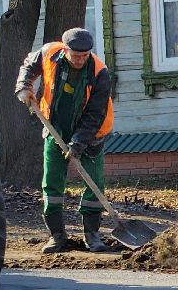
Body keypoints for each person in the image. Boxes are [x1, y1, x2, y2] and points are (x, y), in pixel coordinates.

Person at [14, 27, 114, 254]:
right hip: (56, 128)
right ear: (65, 50)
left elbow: (95, 114)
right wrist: (24, 87)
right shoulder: (49, 53)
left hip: (91, 134)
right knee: (51, 182)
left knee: (94, 182)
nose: (80, 60)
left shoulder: (99, 72)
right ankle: (57, 236)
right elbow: (28, 66)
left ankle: (92, 235)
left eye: (85, 55)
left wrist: (78, 143)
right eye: (76, 55)